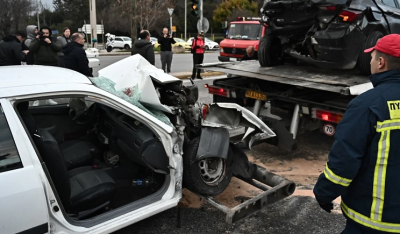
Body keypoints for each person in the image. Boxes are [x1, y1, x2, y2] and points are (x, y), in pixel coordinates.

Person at [313, 34, 400, 234]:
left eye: (371, 57)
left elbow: (344, 160)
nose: (369, 61)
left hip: (374, 221)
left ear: (381, 62)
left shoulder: (367, 105)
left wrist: (324, 193)